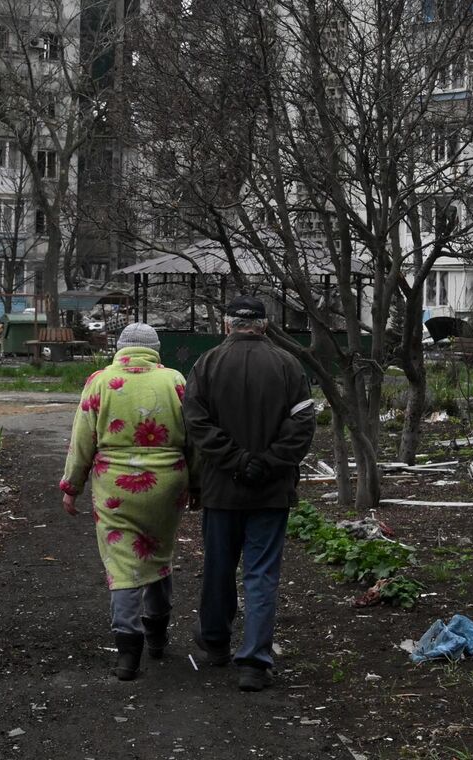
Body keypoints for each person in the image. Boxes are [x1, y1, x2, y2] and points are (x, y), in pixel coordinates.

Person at [182, 294, 316, 692]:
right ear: (264, 325)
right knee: (261, 575)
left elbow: (197, 423)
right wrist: (268, 462)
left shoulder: (205, 365)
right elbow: (303, 423)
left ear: (227, 325)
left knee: (219, 569)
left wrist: (235, 461)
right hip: (271, 491)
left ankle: (216, 643)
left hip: (222, 489)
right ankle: (255, 662)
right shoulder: (288, 365)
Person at [59, 322, 194, 681]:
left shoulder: (100, 381)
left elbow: (82, 439)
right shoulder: (176, 381)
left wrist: (72, 485)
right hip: (167, 482)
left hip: (116, 487)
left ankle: (128, 656)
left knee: (124, 564)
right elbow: (195, 434)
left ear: (119, 348)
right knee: (159, 553)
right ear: (156, 349)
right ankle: (158, 636)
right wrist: (195, 482)